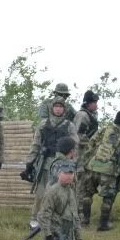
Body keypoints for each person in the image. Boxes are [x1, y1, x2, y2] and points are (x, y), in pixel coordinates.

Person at [24, 97, 78, 229]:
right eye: (56, 106)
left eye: (61, 106)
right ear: (51, 108)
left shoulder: (69, 126)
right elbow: (35, 144)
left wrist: (73, 162)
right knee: (41, 192)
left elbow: (75, 145)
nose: (58, 109)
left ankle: (58, 219)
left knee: (62, 192)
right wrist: (29, 162)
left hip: (62, 163)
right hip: (45, 162)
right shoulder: (43, 124)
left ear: (64, 109)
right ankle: (35, 218)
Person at [81, 110, 120, 230]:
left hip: (92, 166)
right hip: (109, 171)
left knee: (87, 193)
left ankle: (85, 221)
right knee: (108, 197)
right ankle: (103, 224)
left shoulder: (104, 129)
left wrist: (86, 163)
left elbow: (91, 144)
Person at [73, 90, 100, 214]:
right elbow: (77, 136)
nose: (96, 105)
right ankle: (77, 211)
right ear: (88, 103)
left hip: (87, 155)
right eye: (94, 102)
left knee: (85, 184)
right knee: (80, 183)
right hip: (80, 155)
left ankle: (81, 211)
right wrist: (92, 142)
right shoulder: (83, 115)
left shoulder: (91, 115)